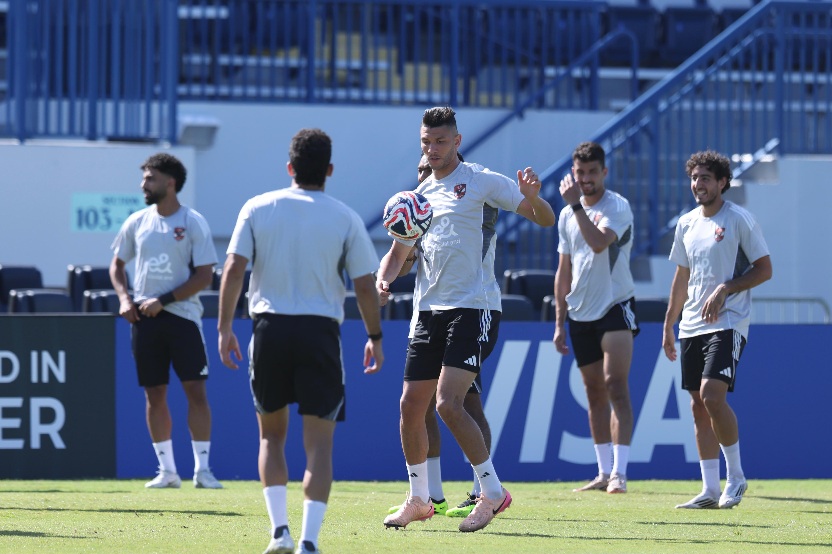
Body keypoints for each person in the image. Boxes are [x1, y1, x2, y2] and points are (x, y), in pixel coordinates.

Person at [379, 106, 555, 532]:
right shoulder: (418, 197)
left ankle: (492, 492)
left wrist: (533, 197)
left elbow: (546, 219)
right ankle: (420, 498)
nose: (432, 148)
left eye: (441, 141)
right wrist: (384, 281)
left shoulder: (481, 181)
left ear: (457, 141)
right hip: (428, 313)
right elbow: (399, 254)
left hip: (474, 308)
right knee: (410, 406)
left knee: (448, 403)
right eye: (426, 141)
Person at [217, 128, 383, 554]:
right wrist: (375, 336)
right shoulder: (344, 216)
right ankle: (309, 540)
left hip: (269, 329)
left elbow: (233, 269)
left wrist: (224, 328)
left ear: (289, 168)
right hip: (319, 333)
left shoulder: (257, 207)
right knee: (319, 445)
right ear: (330, 170)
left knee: (270, 437)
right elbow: (365, 285)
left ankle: (279, 533)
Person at [386, 152, 494, 519]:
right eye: (420, 170)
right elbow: (403, 264)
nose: (423, 175)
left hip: (467, 313)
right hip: (427, 317)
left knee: (463, 404)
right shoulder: (417, 212)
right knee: (419, 406)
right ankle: (430, 495)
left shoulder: (465, 206)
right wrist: (391, 268)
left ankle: (483, 491)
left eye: (428, 169)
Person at [662, 150, 772, 510]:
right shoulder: (686, 224)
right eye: (694, 178)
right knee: (698, 407)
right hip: (691, 325)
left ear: (722, 182)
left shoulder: (739, 219)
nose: (699, 184)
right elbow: (682, 276)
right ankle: (709, 489)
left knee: (711, 396)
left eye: (706, 178)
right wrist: (669, 322)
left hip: (728, 322)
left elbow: (764, 269)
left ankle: (736, 477)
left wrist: (726, 288)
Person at [109, 152, 222, 490]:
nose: (143, 184)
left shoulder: (192, 222)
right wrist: (125, 299)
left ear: (170, 183)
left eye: (150, 178)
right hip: (145, 322)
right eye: (144, 178)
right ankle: (167, 471)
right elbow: (117, 266)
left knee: (196, 392)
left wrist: (165, 300)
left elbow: (205, 276)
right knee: (154, 394)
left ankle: (203, 470)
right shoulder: (136, 222)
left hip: (183, 318)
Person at [553, 141, 638, 495]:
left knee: (615, 385)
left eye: (591, 172)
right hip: (580, 312)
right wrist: (559, 321)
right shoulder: (566, 216)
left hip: (615, 304)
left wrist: (575, 205)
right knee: (593, 392)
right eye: (580, 172)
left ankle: (620, 472)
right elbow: (564, 270)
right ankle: (603, 472)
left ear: (604, 172)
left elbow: (599, 243)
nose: (585, 179)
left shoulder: (616, 206)